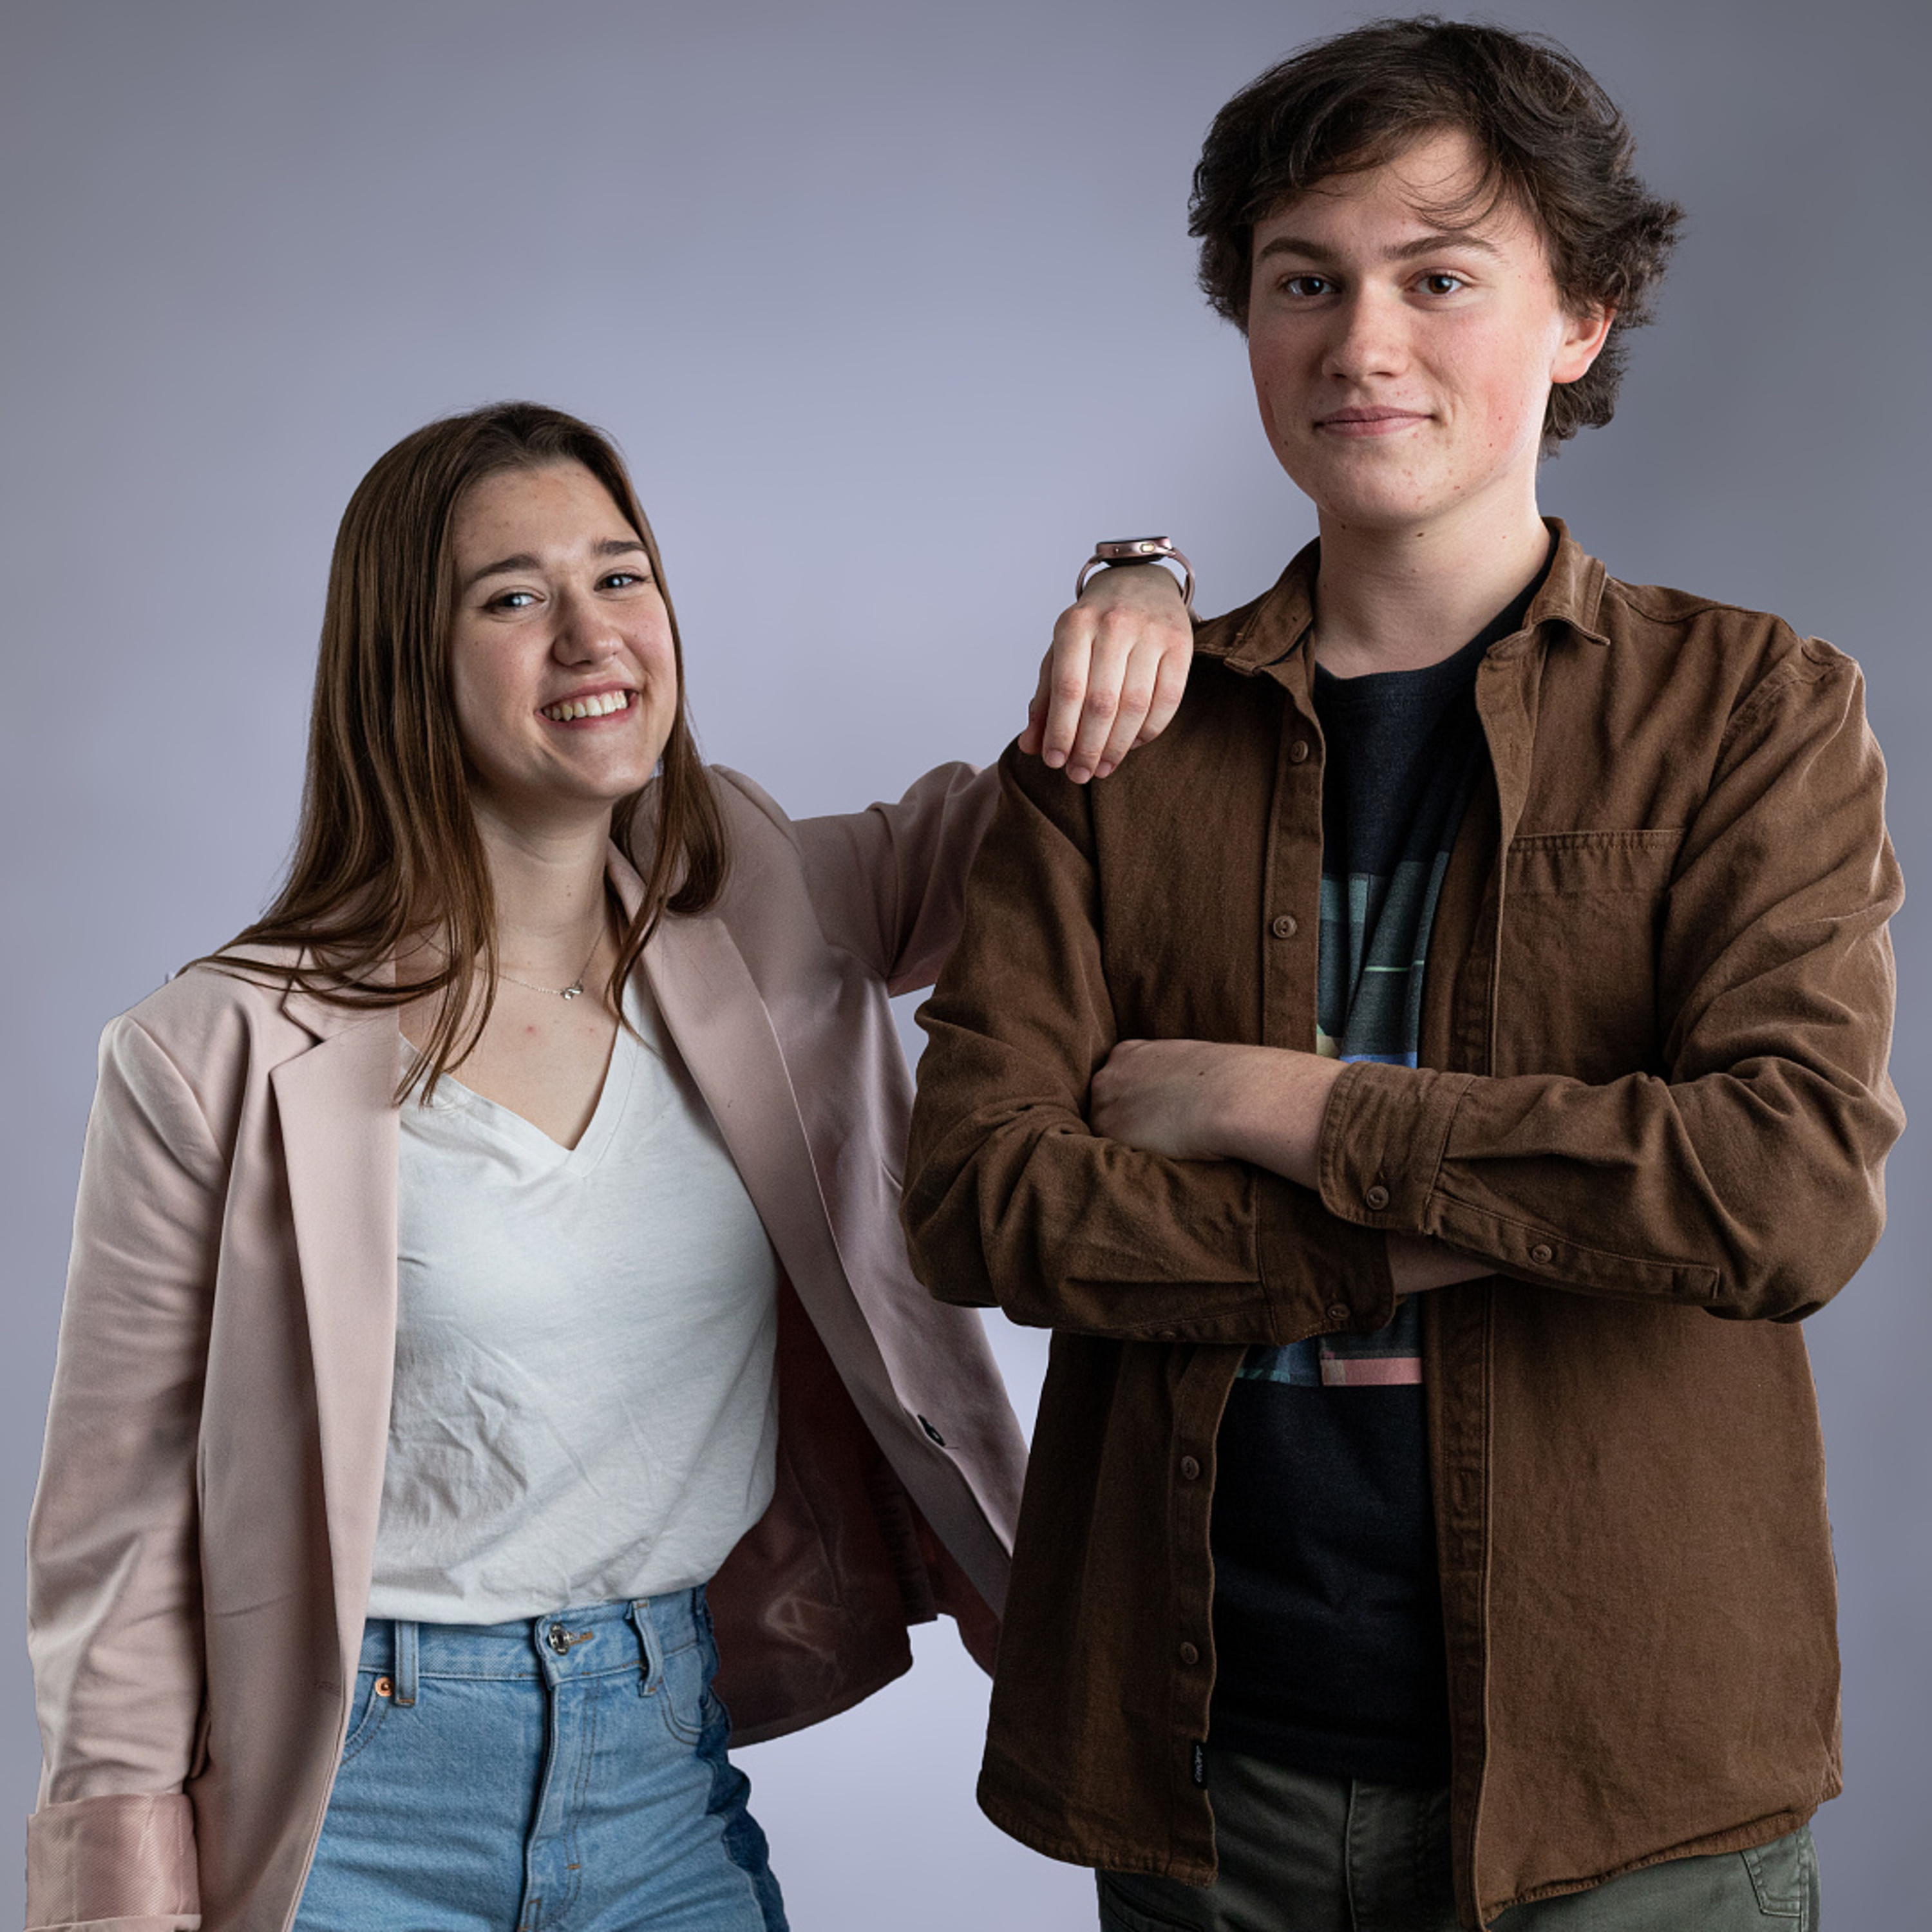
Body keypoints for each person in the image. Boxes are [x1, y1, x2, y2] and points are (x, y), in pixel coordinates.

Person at [902, 17, 1902, 1931]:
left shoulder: (1750, 710)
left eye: (1439, 279)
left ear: (1582, 317)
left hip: (1631, 1785)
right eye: (1306, 282)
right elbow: (977, 1200)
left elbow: (1779, 1193)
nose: (1362, 343)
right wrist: (1466, 1225)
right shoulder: (1112, 739)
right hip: (1208, 1778)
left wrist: (1277, 1105)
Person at [24, 401, 1195, 1932]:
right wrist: (119, 1901)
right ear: (406, 663)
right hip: (341, 1813)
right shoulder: (215, 1054)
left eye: (621, 576)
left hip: (653, 1778)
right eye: (514, 597)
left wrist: (1140, 583)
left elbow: (1078, 807)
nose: (592, 637)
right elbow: (116, 1545)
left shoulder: (763, 901)